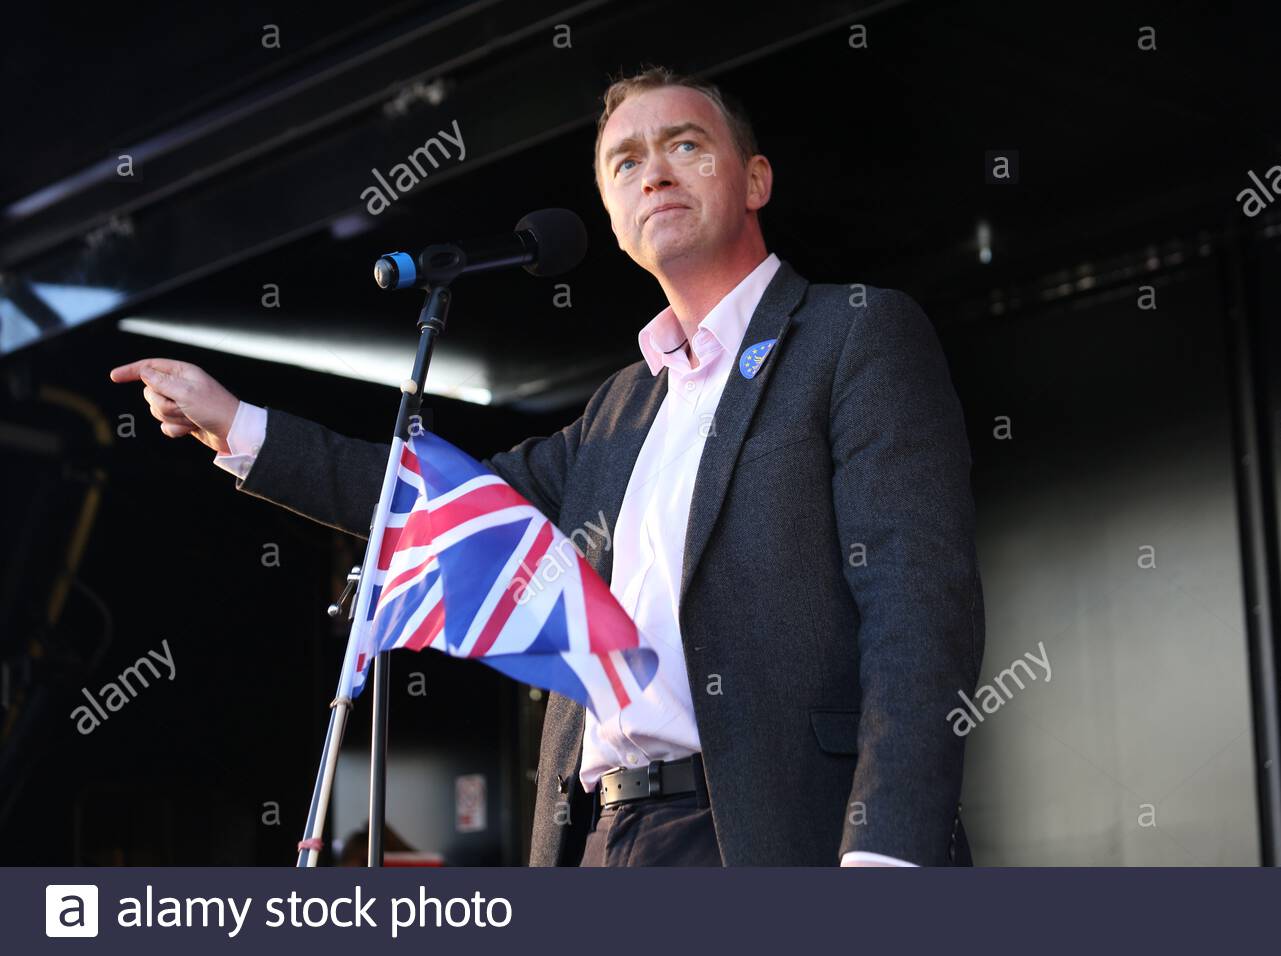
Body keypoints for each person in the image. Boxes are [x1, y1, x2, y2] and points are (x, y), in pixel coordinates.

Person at [111, 65, 985, 867]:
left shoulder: (852, 334)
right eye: (625, 161)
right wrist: (241, 424)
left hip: (777, 833)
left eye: (686, 144)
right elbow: (431, 506)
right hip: (604, 838)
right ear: (610, 212)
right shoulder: (619, 409)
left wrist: (886, 855)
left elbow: (918, 606)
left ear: (754, 179)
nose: (655, 172)